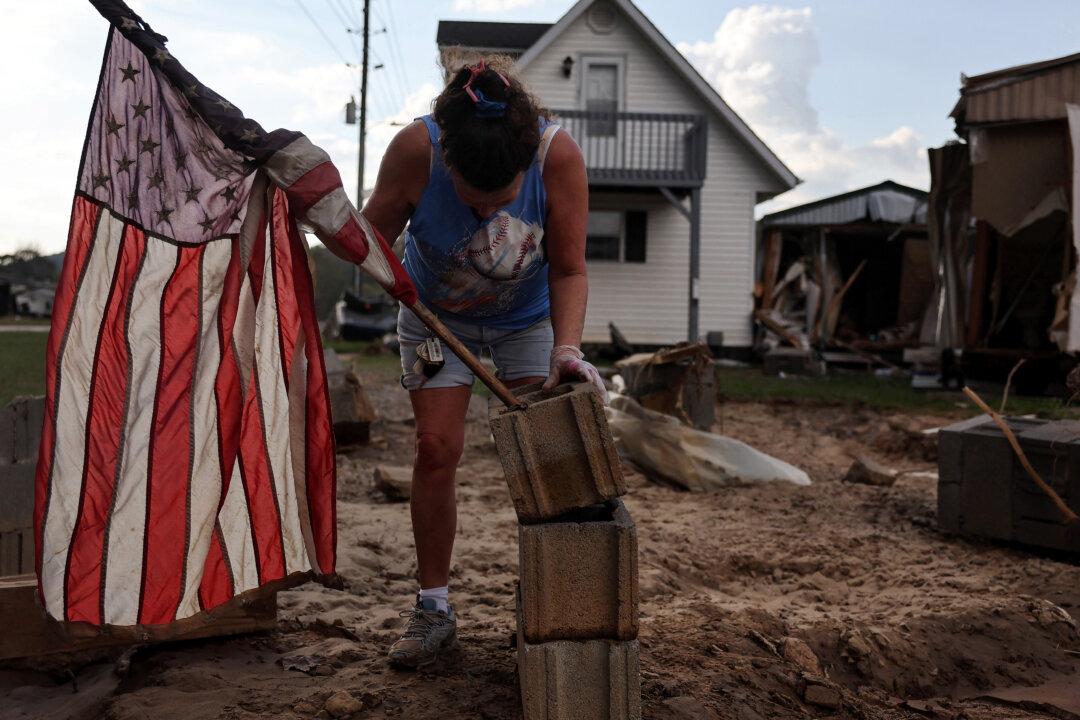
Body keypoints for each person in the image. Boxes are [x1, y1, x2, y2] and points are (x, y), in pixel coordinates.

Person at [360, 58, 606, 669]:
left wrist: (566, 350)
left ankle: (550, 604)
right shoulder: (416, 148)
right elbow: (368, 240)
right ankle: (434, 609)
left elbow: (569, 266)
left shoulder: (558, 157)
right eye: (474, 201)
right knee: (436, 449)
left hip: (528, 320)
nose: (486, 214)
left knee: (552, 453)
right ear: (447, 163)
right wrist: (373, 265)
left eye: (502, 201)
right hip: (434, 316)